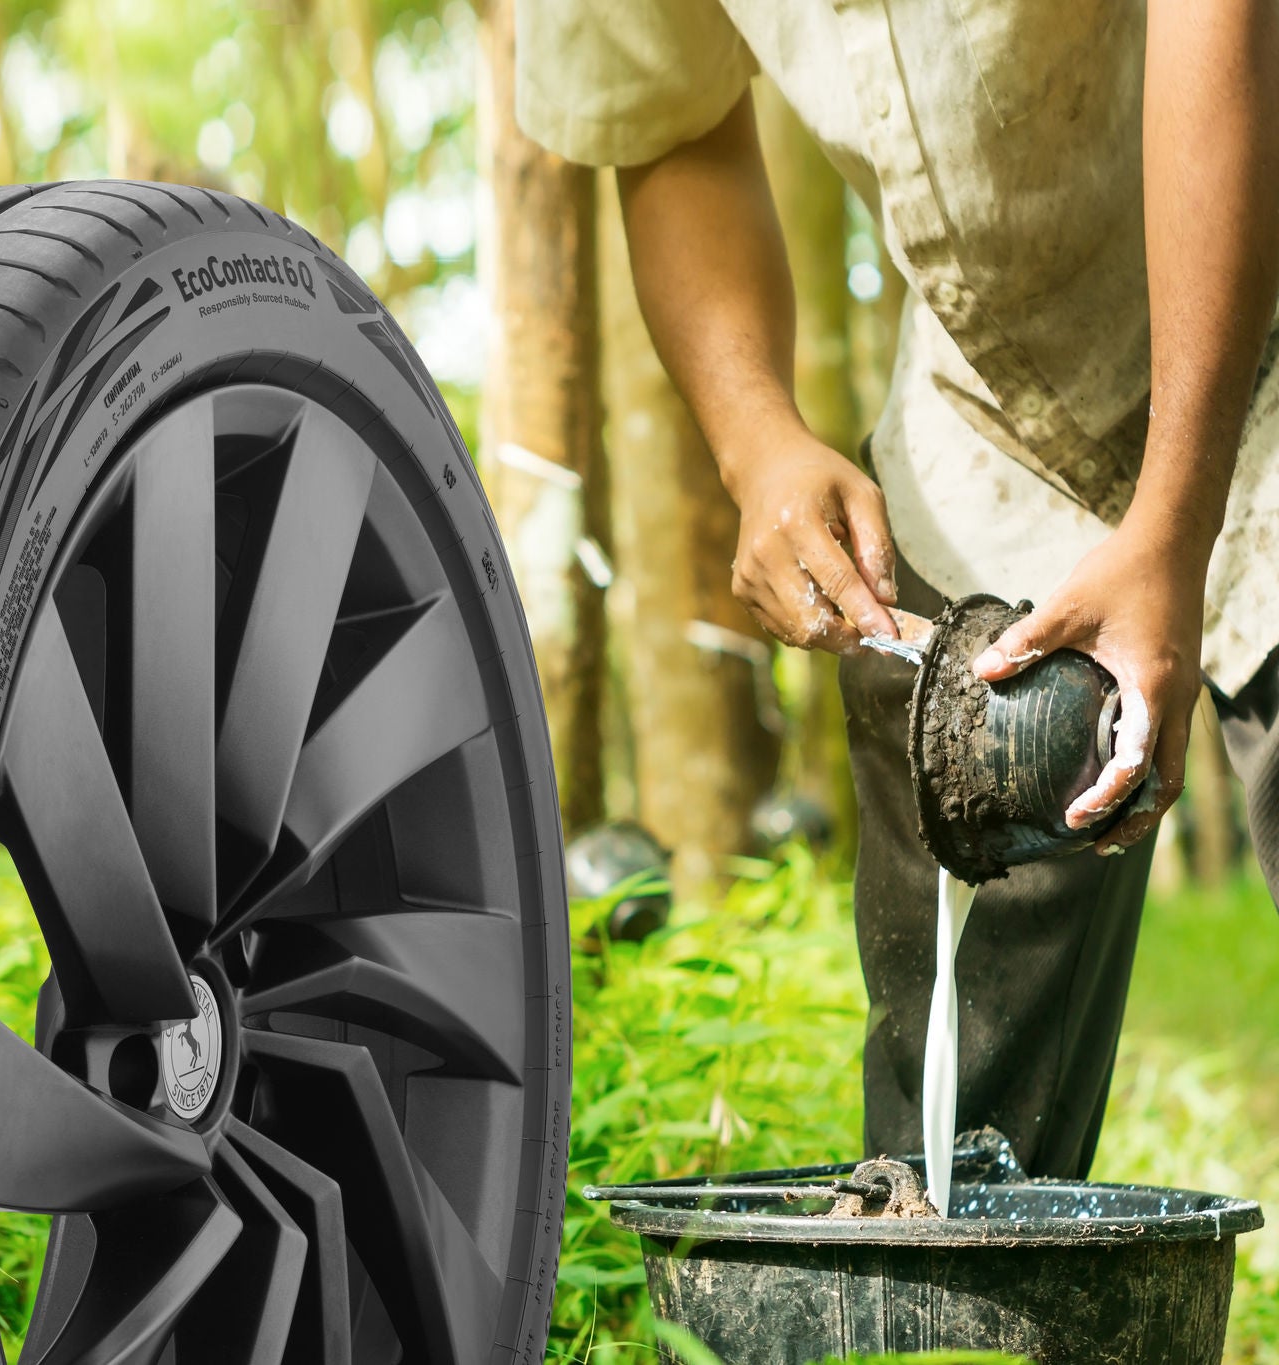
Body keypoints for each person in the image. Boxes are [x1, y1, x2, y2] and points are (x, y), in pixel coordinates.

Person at [517, 0, 1279, 1178]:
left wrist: (1171, 525)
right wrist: (756, 438)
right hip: (994, 402)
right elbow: (666, 123)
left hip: (1253, 260)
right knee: (955, 1158)